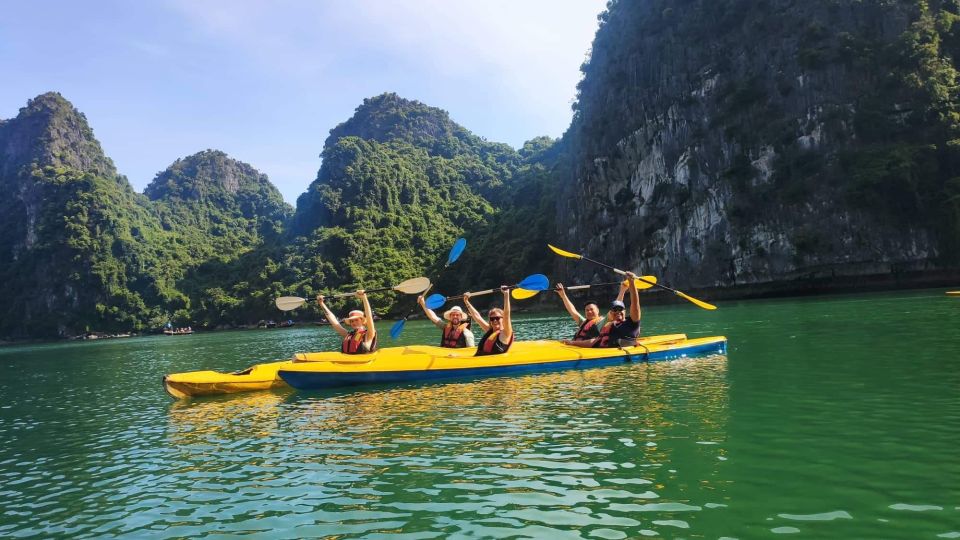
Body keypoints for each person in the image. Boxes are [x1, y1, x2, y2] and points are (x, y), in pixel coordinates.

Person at [316, 290, 377, 354]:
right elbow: (334, 322)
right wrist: (321, 304)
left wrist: (364, 298)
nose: (354, 322)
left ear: (362, 321)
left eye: (356, 320)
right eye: (352, 321)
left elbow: (369, 316)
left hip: (364, 363)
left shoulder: (369, 334)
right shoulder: (347, 335)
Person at [463, 286, 513, 356]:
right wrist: (466, 301)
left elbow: (507, 315)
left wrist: (506, 295)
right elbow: (477, 317)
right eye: (492, 319)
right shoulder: (490, 330)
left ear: (503, 318)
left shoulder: (506, 333)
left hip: (492, 364)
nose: (494, 320)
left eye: (497, 318)